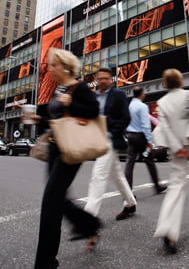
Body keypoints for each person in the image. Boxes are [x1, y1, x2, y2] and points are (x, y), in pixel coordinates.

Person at [34, 48, 101, 269]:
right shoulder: (59, 89)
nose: (50, 69)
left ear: (65, 66)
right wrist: (39, 118)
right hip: (55, 148)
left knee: (50, 202)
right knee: (59, 199)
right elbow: (57, 118)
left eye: (53, 65)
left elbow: (92, 111)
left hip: (70, 151)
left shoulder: (79, 87)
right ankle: (89, 225)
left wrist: (69, 103)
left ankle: (45, 262)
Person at [153, 69, 189, 254]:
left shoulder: (161, 103)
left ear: (165, 83)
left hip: (176, 146)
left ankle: (169, 230)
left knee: (176, 186)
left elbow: (166, 127)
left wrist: (176, 145)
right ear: (180, 80)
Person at [84, 67, 136, 221]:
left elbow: (126, 118)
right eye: (100, 78)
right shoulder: (93, 96)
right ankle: (131, 203)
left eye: (106, 78)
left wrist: (110, 127)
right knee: (117, 176)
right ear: (96, 79)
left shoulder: (119, 95)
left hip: (110, 139)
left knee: (98, 176)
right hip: (96, 139)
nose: (103, 81)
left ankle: (88, 218)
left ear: (111, 79)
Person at [124, 86, 167, 199]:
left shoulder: (130, 105)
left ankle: (127, 191)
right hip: (140, 136)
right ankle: (157, 185)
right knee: (149, 160)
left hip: (131, 135)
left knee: (130, 162)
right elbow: (145, 125)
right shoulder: (142, 106)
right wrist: (149, 141)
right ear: (141, 94)